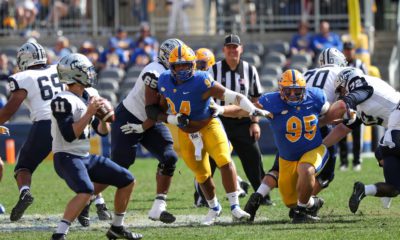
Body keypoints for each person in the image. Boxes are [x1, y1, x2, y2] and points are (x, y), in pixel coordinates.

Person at [145, 44, 271, 225]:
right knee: (202, 174)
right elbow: (159, 108)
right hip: (186, 133)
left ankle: (235, 207)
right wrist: (172, 118)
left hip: (209, 125)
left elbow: (233, 96)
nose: (181, 70)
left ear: (193, 65)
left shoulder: (202, 80)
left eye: (185, 65)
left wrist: (251, 109)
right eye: (177, 66)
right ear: (170, 67)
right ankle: (214, 208)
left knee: (224, 160)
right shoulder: (164, 80)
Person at [219, 69, 348, 223]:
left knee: (306, 169)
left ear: (304, 90)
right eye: (289, 91)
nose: (293, 95)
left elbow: (329, 112)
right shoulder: (271, 102)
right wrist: (221, 110)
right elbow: (243, 110)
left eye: (297, 91)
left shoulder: (315, 96)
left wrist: (344, 115)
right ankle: (312, 203)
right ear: (281, 90)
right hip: (287, 158)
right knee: (290, 202)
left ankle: (301, 213)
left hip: (313, 149)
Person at [50, 53, 142, 240]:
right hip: (66, 157)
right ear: (74, 74)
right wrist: (90, 112)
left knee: (127, 180)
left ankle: (117, 227)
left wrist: (102, 118)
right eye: (86, 71)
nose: (91, 73)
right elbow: (69, 135)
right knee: (85, 191)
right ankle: (59, 234)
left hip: (85, 156)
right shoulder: (62, 100)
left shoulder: (89, 95)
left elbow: (102, 132)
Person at [111, 38, 183, 224]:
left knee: (170, 157)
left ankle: (158, 207)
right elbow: (153, 108)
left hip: (150, 121)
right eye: (177, 59)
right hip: (129, 117)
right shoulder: (154, 72)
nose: (181, 64)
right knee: (119, 167)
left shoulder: (175, 73)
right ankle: (90, 199)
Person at [0, 41, 64, 222]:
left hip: (45, 124)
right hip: (69, 121)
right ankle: (97, 201)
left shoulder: (24, 77)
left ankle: (25, 192)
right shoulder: (58, 69)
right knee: (77, 164)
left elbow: (10, 109)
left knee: (23, 167)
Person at [322, 67, 400, 215]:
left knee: (394, 187)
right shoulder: (360, 107)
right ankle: (369, 188)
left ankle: (367, 189)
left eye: (341, 89)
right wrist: (321, 146)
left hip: (392, 136)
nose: (340, 93)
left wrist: (321, 121)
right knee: (394, 185)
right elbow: (342, 129)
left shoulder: (362, 84)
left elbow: (345, 103)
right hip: (392, 138)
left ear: (347, 81)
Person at [208, 34, 271, 205]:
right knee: (212, 159)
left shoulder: (250, 70)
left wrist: (254, 123)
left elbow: (256, 99)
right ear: (224, 50)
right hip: (219, 121)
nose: (232, 50)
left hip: (243, 122)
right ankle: (203, 197)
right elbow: (205, 95)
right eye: (229, 47)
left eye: (235, 47)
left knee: (254, 158)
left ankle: (262, 196)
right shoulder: (213, 70)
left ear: (241, 49)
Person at [192, 47, 249, 207]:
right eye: (195, 63)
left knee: (219, 157)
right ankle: (235, 186)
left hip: (213, 121)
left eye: (201, 63)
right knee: (205, 160)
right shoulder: (193, 79)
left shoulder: (208, 78)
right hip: (198, 124)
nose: (197, 66)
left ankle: (231, 189)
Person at [338, 41, 368, 171]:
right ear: (343, 51)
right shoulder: (339, 65)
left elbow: (366, 82)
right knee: (341, 133)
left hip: (357, 104)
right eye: (346, 49)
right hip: (343, 103)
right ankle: (343, 162)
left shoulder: (360, 65)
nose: (348, 51)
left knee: (357, 133)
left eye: (350, 49)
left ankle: (357, 161)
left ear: (354, 51)